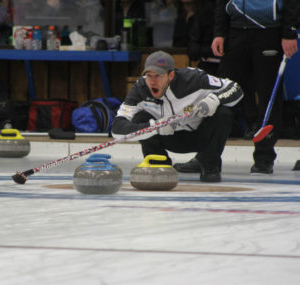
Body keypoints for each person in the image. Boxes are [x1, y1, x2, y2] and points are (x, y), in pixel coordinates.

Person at [111, 51, 243, 182]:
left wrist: (215, 99)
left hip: (200, 136)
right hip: (167, 137)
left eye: (158, 75)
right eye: (149, 76)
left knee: (223, 114)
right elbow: (117, 128)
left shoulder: (194, 79)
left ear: (171, 75)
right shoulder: (140, 89)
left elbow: (235, 88)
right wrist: (154, 127)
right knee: (140, 118)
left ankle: (209, 165)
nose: (153, 81)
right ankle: (158, 165)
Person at [210, 0, 297, 174]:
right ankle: (208, 156)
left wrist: (290, 31)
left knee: (268, 95)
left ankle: (264, 158)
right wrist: (219, 32)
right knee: (223, 94)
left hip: (268, 31)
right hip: (234, 31)